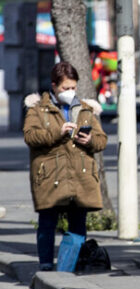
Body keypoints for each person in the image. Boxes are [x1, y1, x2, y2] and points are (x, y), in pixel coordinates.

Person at [23, 62, 108, 271]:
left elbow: (101, 140)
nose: (70, 92)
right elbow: (30, 136)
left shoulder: (85, 109)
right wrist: (57, 133)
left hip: (80, 175)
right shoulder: (38, 110)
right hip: (51, 174)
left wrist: (88, 140)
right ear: (54, 86)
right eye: (65, 88)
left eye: (73, 87)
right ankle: (45, 264)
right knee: (47, 221)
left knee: (77, 222)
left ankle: (68, 266)